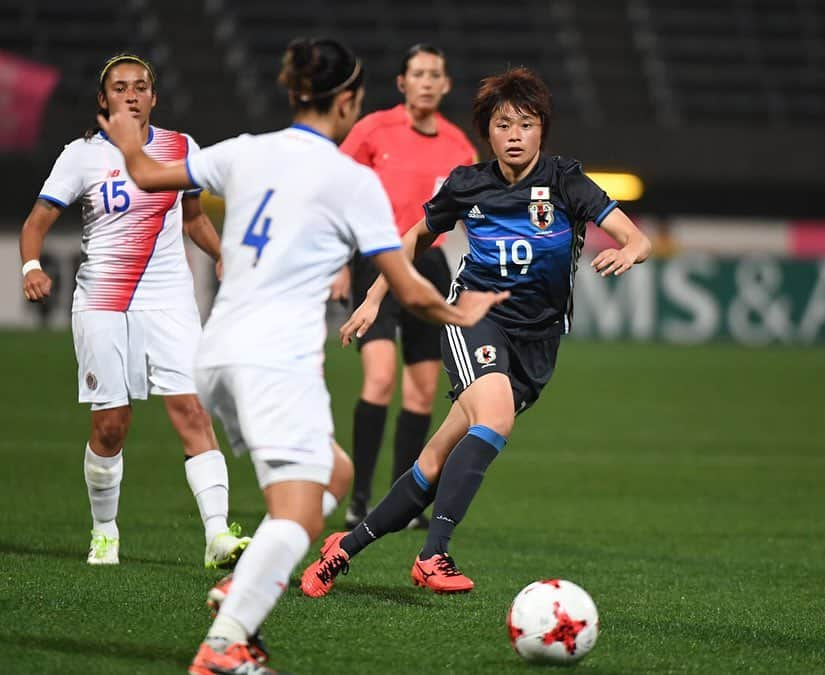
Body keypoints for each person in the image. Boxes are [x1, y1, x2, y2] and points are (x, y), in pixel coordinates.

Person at [97, 37, 507, 674]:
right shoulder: (351, 180)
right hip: (274, 362)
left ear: (294, 92)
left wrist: (126, 138)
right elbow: (407, 285)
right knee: (296, 513)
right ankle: (226, 644)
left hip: (218, 353)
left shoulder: (246, 149)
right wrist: (460, 312)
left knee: (334, 479)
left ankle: (245, 586)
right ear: (347, 100)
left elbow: (149, 175)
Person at [300, 66, 652, 597]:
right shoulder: (468, 183)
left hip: (538, 345)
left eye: (526, 124)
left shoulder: (564, 181)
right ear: (487, 132)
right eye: (503, 124)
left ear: (542, 131)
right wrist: (375, 295)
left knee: (437, 460)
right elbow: (414, 237)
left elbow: (635, 237)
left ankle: (343, 549)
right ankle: (433, 553)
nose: (514, 135)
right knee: (495, 418)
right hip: (473, 318)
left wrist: (629, 250)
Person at [19, 53, 250, 568]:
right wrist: (31, 266)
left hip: (169, 298)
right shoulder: (81, 155)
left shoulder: (179, 147)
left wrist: (224, 256)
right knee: (111, 426)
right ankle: (105, 530)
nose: (130, 94)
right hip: (102, 301)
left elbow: (192, 219)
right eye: (119, 87)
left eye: (140, 86)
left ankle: (218, 536)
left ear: (153, 97)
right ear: (103, 99)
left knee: (192, 409)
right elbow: (36, 221)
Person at [338, 44, 478, 530]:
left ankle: (401, 499)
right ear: (402, 82)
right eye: (417, 73)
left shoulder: (460, 147)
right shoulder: (374, 130)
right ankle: (359, 498)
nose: (425, 81)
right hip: (372, 261)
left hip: (429, 267)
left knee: (421, 393)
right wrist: (338, 263)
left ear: (445, 85)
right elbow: (334, 191)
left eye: (434, 74)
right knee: (379, 378)